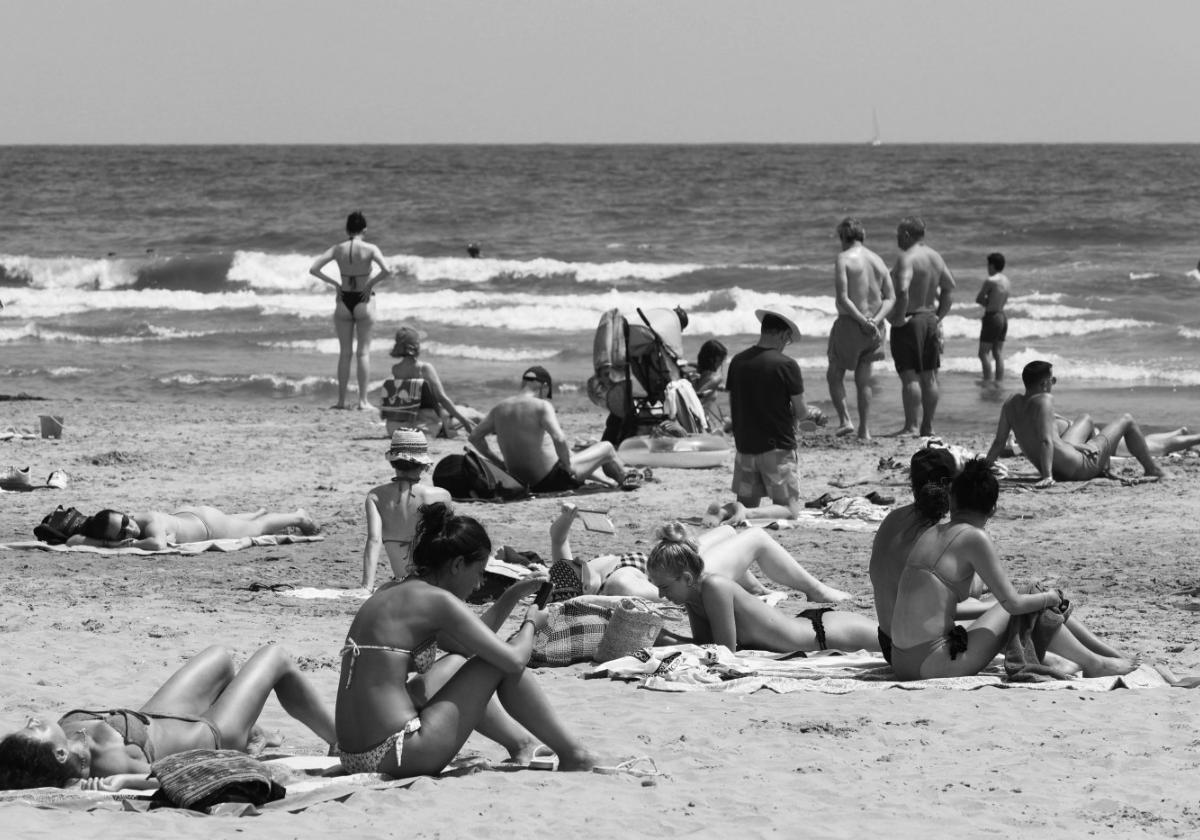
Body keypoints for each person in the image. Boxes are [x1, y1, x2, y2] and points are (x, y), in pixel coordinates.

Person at [334, 502, 596, 776]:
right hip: (397, 753)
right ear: (458, 564)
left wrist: (511, 596)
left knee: (457, 663)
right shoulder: (438, 601)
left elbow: (466, 645)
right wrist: (532, 622)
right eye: (479, 572)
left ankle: (522, 744)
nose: (480, 583)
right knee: (499, 663)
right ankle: (573, 754)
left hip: (353, 755)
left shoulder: (395, 589)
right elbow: (514, 661)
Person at [888, 460, 1138, 680]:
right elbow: (1014, 604)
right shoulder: (974, 537)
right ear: (993, 509)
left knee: (1032, 598)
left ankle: (1102, 657)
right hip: (932, 663)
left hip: (902, 661)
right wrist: (1049, 597)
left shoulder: (932, 533)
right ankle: (1096, 662)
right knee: (1032, 596)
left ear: (952, 498)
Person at [0, 645, 335, 790]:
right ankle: (341, 739)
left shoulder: (62, 736)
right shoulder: (110, 764)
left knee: (220, 659)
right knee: (275, 657)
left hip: (161, 717)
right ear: (60, 754)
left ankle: (252, 728)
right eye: (34, 728)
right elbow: (164, 777)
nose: (32, 718)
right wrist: (125, 782)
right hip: (212, 734)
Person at [549, 502, 851, 604]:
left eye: (579, 563)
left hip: (673, 561)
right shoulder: (619, 584)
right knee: (756, 537)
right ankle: (817, 590)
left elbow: (557, 536)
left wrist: (569, 515)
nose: (580, 562)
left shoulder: (575, 574)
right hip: (686, 575)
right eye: (580, 568)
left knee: (729, 531)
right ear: (585, 588)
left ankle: (758, 589)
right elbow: (671, 597)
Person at [645, 522, 879, 653]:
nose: (661, 595)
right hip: (812, 628)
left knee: (902, 646)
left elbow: (724, 652)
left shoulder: (714, 586)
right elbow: (706, 646)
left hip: (828, 634)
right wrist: (662, 638)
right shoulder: (693, 597)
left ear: (686, 578)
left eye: (664, 587)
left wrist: (664, 639)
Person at [705, 304, 824, 526]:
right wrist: (814, 414)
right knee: (790, 509)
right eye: (788, 339)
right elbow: (801, 412)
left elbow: (741, 405)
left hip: (745, 449)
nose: (786, 345)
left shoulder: (738, 362)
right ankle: (743, 515)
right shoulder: (787, 365)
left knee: (747, 502)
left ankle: (726, 511)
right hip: (777, 449)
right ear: (783, 333)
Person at [870, 448, 990, 663]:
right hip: (917, 647)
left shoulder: (892, 519)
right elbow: (970, 596)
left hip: (888, 643)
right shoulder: (936, 535)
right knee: (1009, 610)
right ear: (952, 486)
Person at [983, 360, 1164, 487]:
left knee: (1085, 419)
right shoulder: (1044, 400)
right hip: (1079, 469)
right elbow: (1046, 441)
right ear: (1044, 383)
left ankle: (1103, 467)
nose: (1053, 384)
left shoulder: (1011, 403)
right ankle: (1152, 469)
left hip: (1062, 461)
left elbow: (999, 443)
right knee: (1126, 419)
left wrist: (981, 470)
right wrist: (1047, 477)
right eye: (1053, 380)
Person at [468, 366, 641, 493]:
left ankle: (608, 481)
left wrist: (499, 463)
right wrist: (568, 466)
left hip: (520, 481)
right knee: (607, 448)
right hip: (551, 481)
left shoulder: (500, 408)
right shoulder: (542, 406)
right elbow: (559, 438)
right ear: (544, 386)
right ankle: (623, 479)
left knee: (568, 455)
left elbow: (474, 437)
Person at [309, 211, 392, 411]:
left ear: (347, 229)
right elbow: (387, 270)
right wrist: (370, 283)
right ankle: (363, 402)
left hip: (343, 300)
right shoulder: (370, 248)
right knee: (363, 353)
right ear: (365, 229)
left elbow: (314, 268)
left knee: (344, 353)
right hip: (364, 300)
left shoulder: (338, 249)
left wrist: (336, 284)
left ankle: (341, 401)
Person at [825, 217, 896, 441]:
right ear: (862, 236)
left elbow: (843, 298)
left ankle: (846, 420)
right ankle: (865, 430)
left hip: (851, 324)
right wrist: (874, 321)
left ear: (843, 237)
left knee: (834, 374)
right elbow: (891, 298)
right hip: (876, 327)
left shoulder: (843, 258)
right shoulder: (878, 260)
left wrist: (861, 321)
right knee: (864, 380)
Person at [887, 216, 955, 437]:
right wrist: (939, 316)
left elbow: (904, 290)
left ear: (906, 235)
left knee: (909, 376)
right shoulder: (935, 257)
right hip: (929, 319)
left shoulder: (907, 258)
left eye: (899, 235)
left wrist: (897, 317)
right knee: (930, 376)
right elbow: (949, 286)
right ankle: (928, 426)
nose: (897, 239)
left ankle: (911, 426)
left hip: (910, 319)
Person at [361, 428, 452, 591]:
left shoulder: (375, 496)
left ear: (393, 461)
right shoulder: (440, 495)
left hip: (402, 582)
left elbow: (374, 541)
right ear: (423, 464)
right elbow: (449, 543)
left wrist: (366, 586)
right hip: (435, 582)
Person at [67, 505, 319, 550]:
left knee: (258, 528)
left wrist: (120, 543)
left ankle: (298, 517)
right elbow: (72, 541)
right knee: (245, 522)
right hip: (194, 517)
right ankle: (256, 513)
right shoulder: (142, 523)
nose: (129, 530)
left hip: (208, 526)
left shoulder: (150, 522)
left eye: (125, 522)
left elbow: (157, 544)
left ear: (125, 513)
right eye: (122, 532)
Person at [381, 325, 477, 438]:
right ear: (415, 346)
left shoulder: (396, 369)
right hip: (429, 420)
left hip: (410, 419)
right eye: (419, 342)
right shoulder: (424, 368)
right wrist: (463, 420)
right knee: (470, 412)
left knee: (463, 410)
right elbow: (442, 398)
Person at [976, 252, 1011, 383]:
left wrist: (988, 304)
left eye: (988, 265)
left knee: (983, 353)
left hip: (992, 317)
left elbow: (979, 298)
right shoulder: (1006, 281)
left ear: (991, 265)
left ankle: (987, 381)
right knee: (998, 352)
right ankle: (999, 381)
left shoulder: (990, 281)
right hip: (1003, 316)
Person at [691, 339, 729, 432]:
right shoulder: (716, 378)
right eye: (721, 359)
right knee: (730, 423)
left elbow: (703, 388)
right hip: (703, 424)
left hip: (692, 419)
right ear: (713, 359)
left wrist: (719, 387)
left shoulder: (695, 373)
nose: (721, 363)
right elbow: (699, 397)